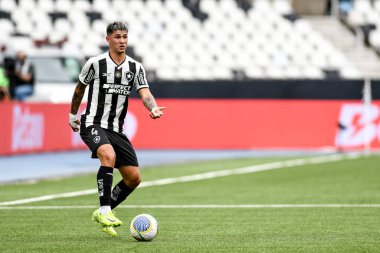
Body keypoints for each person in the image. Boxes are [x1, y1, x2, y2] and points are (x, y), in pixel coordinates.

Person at [68, 21, 165, 237]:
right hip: (92, 122)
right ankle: (105, 211)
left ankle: (104, 210)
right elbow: (79, 89)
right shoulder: (95, 63)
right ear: (108, 39)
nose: (122, 41)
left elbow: (145, 93)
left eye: (125, 37)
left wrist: (153, 107)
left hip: (116, 129)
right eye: (118, 37)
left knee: (133, 178)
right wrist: (73, 115)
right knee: (108, 155)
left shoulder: (135, 67)